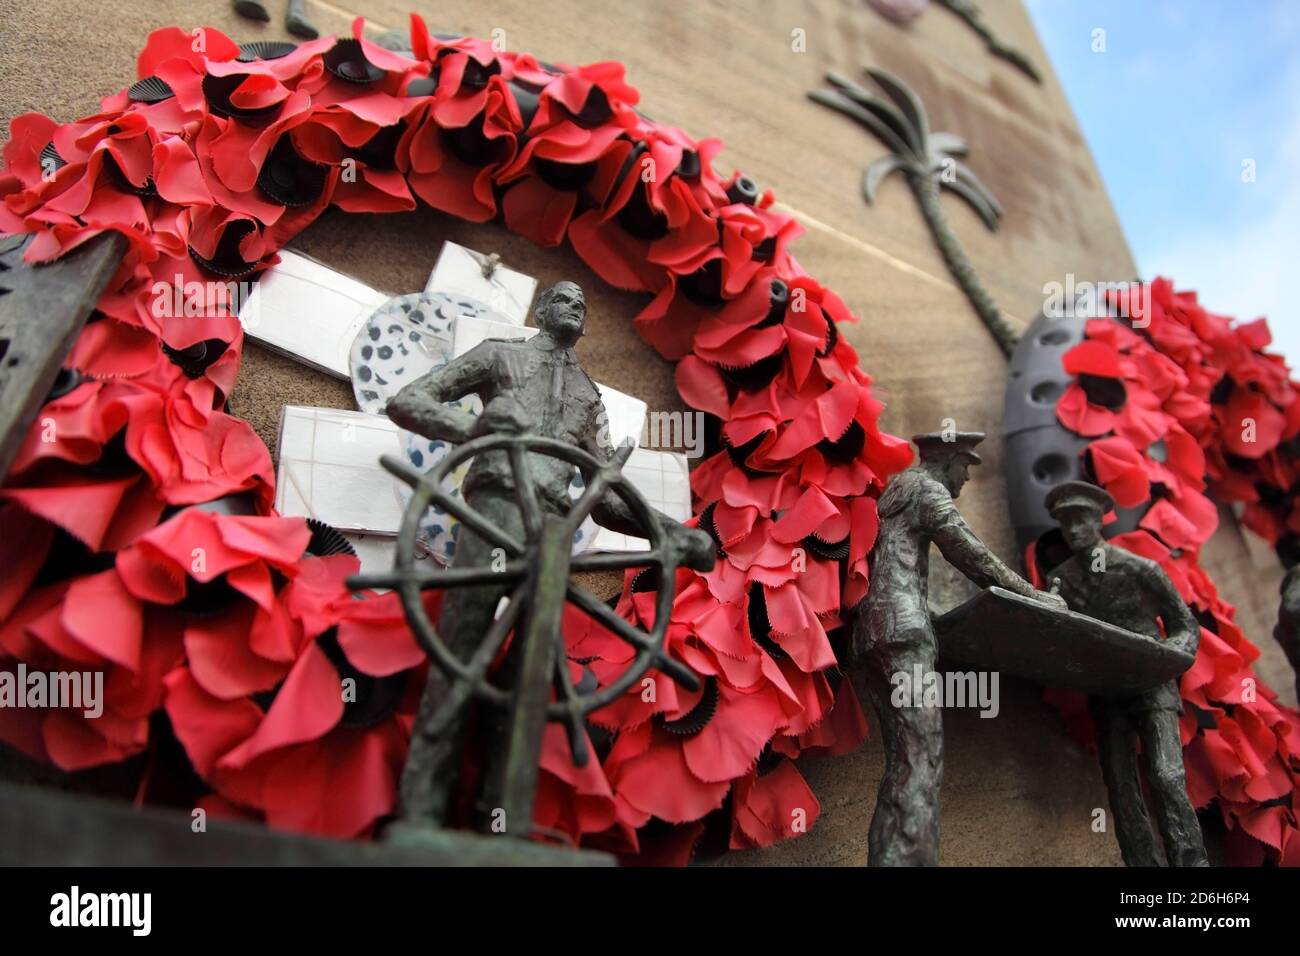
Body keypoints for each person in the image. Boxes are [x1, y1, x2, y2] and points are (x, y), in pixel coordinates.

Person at [386, 280, 714, 826]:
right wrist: (476, 429)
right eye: (563, 298)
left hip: (553, 534)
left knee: (531, 671)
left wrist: (668, 531)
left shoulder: (590, 399)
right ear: (541, 309)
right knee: (461, 645)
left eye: (581, 305)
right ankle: (420, 812)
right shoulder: (499, 355)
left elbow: (604, 497)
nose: (574, 307)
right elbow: (408, 400)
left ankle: (502, 818)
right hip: (495, 508)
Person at [855, 431, 1064, 866]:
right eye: (965, 467)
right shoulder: (929, 490)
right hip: (905, 631)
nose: (966, 479)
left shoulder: (898, 488)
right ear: (947, 460)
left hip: (875, 630)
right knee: (922, 758)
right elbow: (973, 556)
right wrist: (1037, 596)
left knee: (902, 762)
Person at [1045, 480, 1208, 867]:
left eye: (1081, 521)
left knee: (1167, 777)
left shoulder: (1140, 569)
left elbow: (1185, 626)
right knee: (1120, 789)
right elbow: (1060, 638)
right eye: (1066, 524)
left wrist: (1168, 655)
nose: (1073, 531)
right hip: (1106, 690)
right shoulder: (1061, 581)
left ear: (1099, 522)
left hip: (1151, 683)